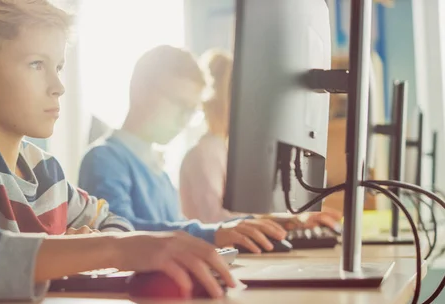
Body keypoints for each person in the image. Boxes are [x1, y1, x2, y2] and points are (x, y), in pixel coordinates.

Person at [0, 3, 235, 304]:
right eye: (36, 64)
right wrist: (101, 249)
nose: (58, 86)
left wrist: (90, 243)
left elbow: (115, 222)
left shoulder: (46, 171)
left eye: (58, 67)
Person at [79, 45, 339, 256]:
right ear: (140, 90)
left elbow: (176, 228)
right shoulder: (104, 159)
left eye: (190, 110)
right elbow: (118, 232)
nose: (184, 119)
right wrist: (213, 234)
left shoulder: (155, 167)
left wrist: (259, 225)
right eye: (179, 104)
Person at [180, 49, 341, 225]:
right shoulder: (206, 153)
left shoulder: (223, 150)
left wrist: (294, 221)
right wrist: (287, 223)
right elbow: (213, 220)